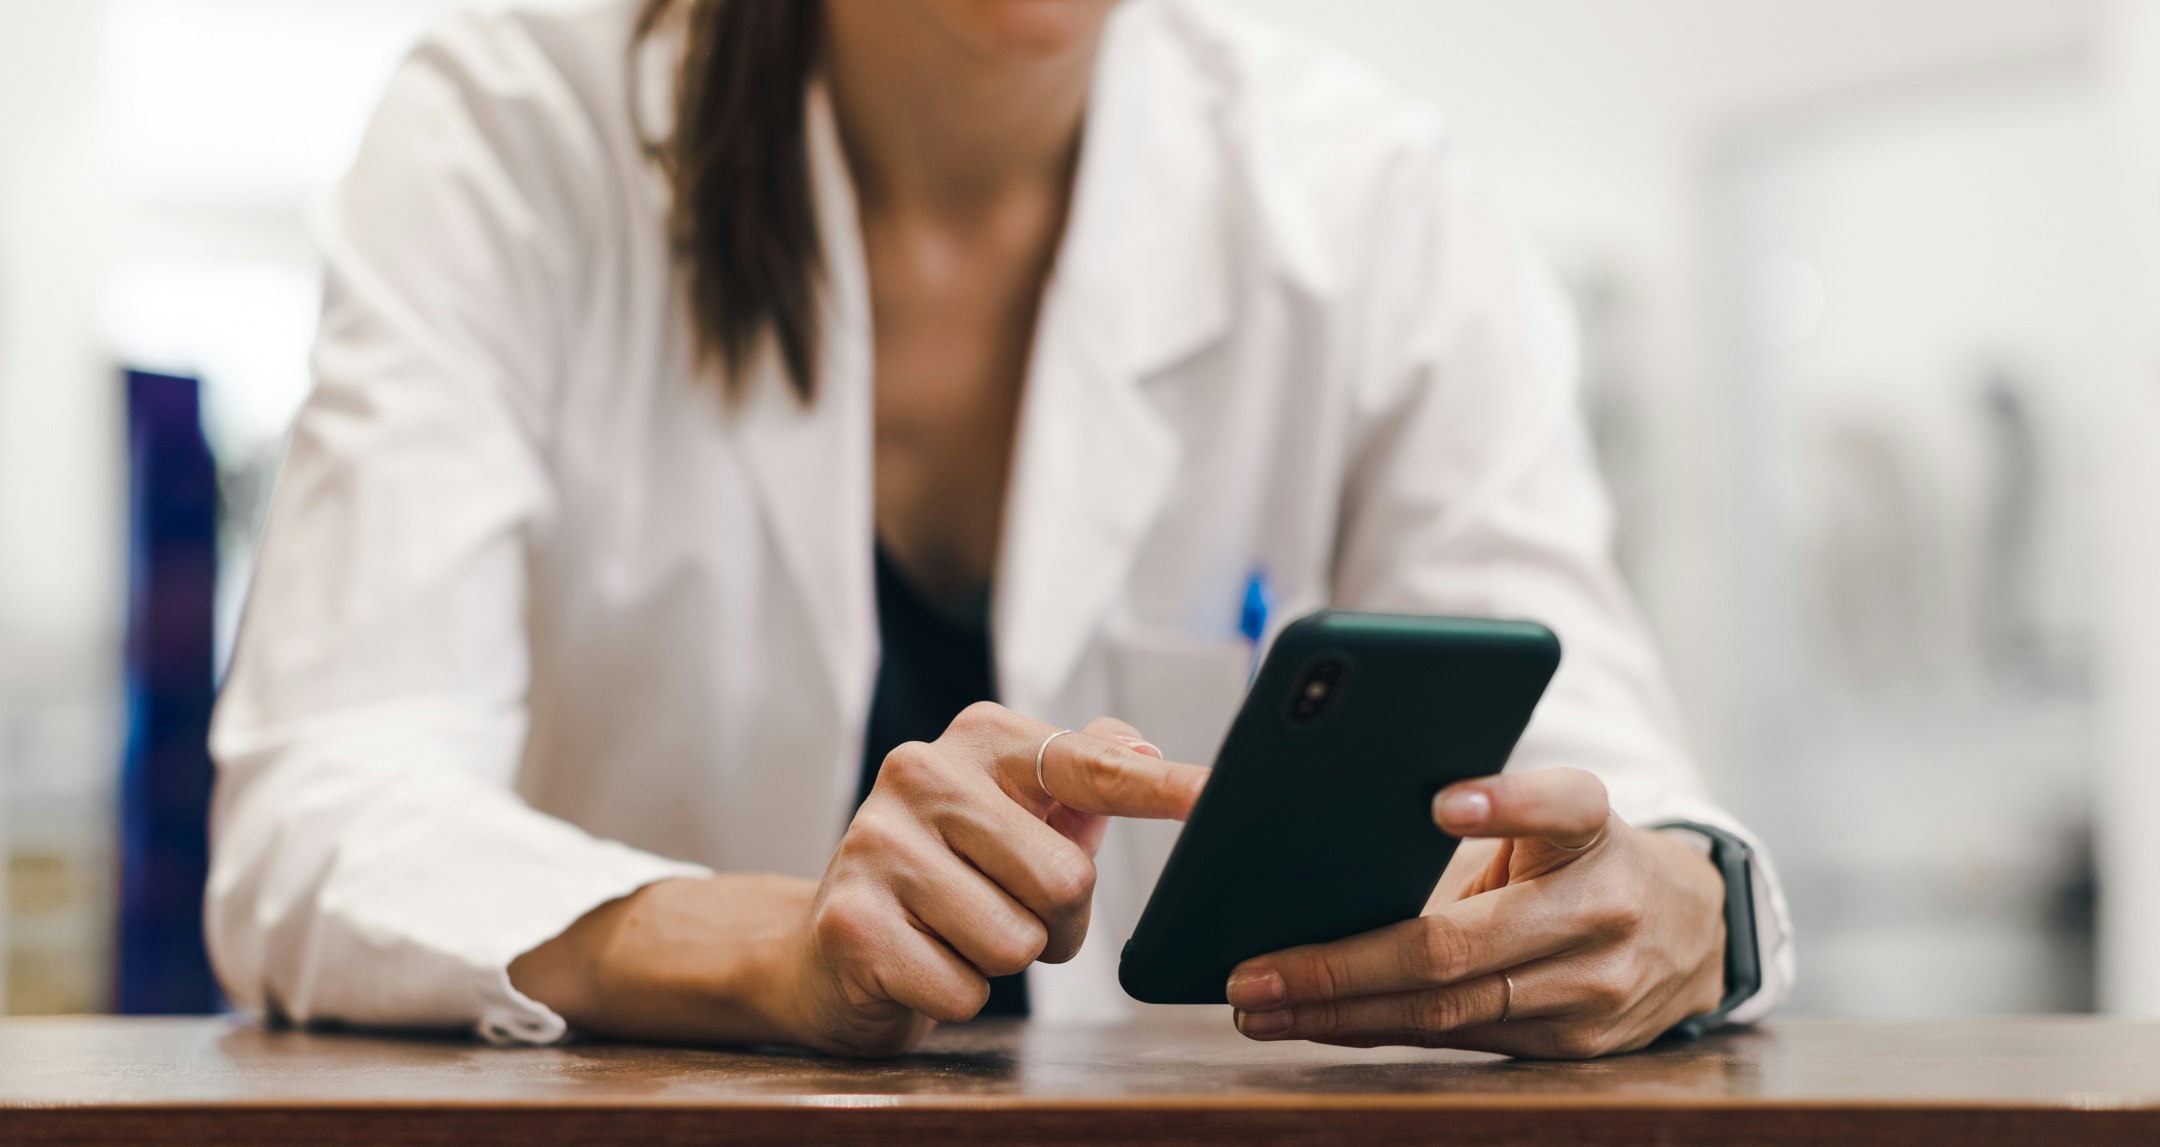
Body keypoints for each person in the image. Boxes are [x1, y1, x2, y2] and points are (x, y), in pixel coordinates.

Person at [206, 0, 1794, 1059]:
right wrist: (765, 945)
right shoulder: (513, 133)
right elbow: (322, 807)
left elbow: (1597, 749)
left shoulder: (1357, 195)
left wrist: (1683, 902)